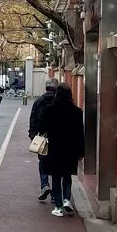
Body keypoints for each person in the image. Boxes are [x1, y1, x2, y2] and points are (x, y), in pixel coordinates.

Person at [38, 82, 85, 217]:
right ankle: (67, 200)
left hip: (54, 148)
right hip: (71, 149)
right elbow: (80, 134)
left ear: (57, 95)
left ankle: (58, 207)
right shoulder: (77, 112)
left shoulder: (49, 110)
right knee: (67, 175)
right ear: (70, 95)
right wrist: (81, 152)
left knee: (56, 177)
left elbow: (42, 128)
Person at [29, 78, 59, 200]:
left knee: (43, 162)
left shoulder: (39, 101)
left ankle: (45, 185)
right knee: (57, 164)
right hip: (57, 138)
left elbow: (33, 118)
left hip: (42, 137)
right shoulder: (59, 101)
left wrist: (32, 135)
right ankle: (56, 193)